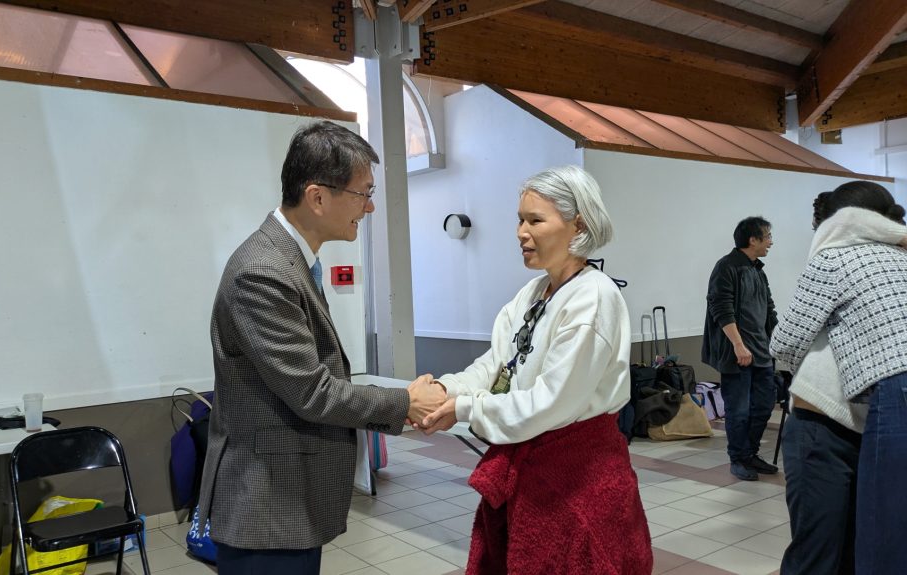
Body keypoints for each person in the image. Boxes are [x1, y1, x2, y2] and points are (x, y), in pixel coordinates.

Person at [195, 121, 446, 575]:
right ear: (317, 197)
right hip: (267, 504)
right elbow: (312, 392)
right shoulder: (263, 271)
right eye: (363, 193)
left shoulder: (291, 260)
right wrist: (406, 402)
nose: (370, 207)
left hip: (290, 497)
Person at [419, 166, 652, 575]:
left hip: (576, 478)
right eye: (519, 220)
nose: (521, 233)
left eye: (535, 220)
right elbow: (495, 365)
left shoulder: (593, 297)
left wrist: (465, 408)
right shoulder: (534, 292)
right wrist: (445, 389)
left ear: (578, 225)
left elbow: (549, 403)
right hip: (533, 473)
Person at [771, 180, 907, 575]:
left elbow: (784, 341)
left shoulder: (832, 259)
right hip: (841, 420)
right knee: (866, 542)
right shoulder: (901, 259)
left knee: (822, 551)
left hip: (837, 420)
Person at [701, 216, 779, 481]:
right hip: (737, 353)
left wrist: (778, 341)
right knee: (739, 410)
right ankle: (738, 458)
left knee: (764, 406)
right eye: (768, 236)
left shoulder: (758, 270)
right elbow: (721, 308)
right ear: (752, 239)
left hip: (761, 351)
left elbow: (769, 309)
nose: (771, 242)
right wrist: (738, 345)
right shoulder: (726, 267)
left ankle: (750, 453)